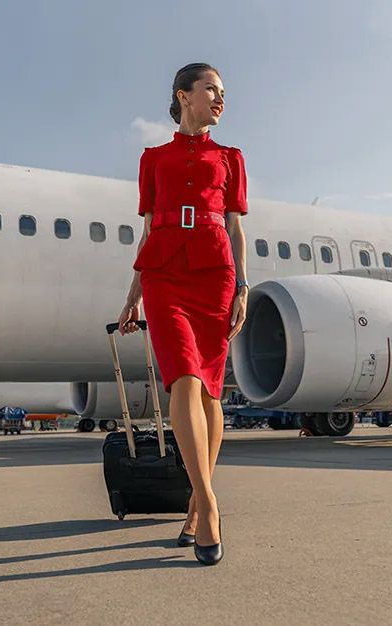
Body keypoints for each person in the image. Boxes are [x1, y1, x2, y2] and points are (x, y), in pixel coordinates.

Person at [118, 62, 248, 566]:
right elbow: (147, 230)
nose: (220, 98)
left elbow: (236, 230)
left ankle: (196, 500)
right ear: (184, 94)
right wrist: (132, 294)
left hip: (214, 271)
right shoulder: (153, 158)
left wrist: (241, 285)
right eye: (211, 89)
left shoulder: (231, 157)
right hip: (164, 273)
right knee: (184, 380)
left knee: (212, 390)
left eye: (223, 92)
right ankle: (210, 502)